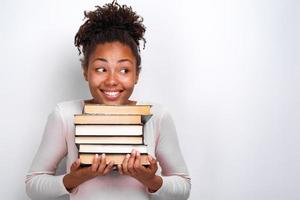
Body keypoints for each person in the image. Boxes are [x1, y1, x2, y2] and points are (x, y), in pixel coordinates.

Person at [25, 1, 191, 199]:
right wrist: (77, 178)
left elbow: (183, 188)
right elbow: (33, 186)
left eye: (124, 70)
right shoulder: (65, 115)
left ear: (136, 74)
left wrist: (151, 180)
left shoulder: (157, 116)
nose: (112, 81)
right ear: (86, 71)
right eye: (101, 69)